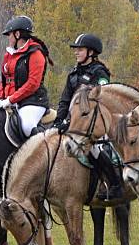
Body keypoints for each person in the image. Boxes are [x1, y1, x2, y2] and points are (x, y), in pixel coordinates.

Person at [52, 33, 123, 201]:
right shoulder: (73, 74)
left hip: (95, 122)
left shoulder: (100, 72)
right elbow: (64, 101)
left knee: (95, 149)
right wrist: (59, 122)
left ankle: (115, 184)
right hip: (76, 121)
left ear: (91, 52)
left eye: (80, 49)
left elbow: (102, 98)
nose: (76, 52)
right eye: (76, 50)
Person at [0, 15, 52, 137]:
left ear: (18, 34)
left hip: (33, 101)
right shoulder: (9, 54)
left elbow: (32, 84)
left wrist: (11, 99)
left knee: (26, 126)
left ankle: (44, 152)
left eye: (10, 35)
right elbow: (4, 79)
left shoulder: (35, 53)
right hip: (10, 100)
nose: (8, 38)